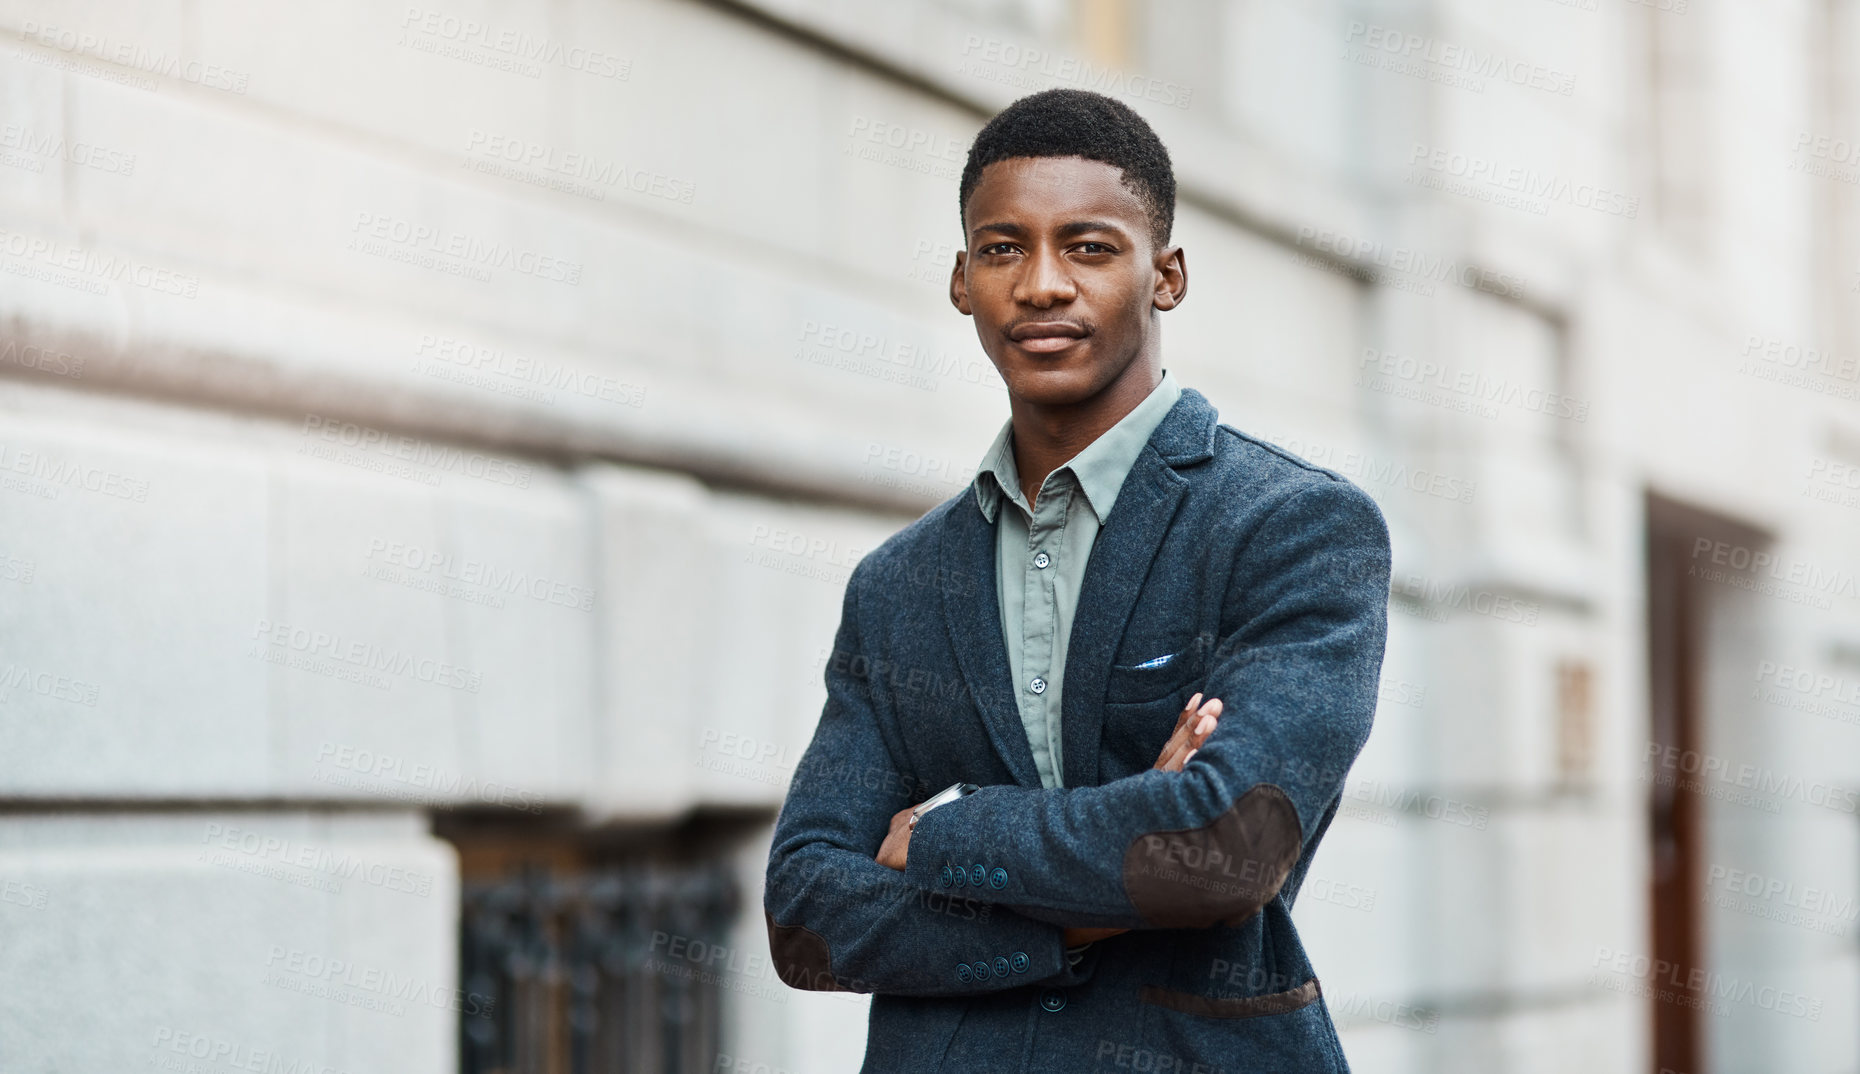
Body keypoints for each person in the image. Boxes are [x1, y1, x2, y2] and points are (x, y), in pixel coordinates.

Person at [763, 87, 1391, 1073]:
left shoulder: (1289, 527)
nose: (1043, 284)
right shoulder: (897, 585)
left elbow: (1226, 846)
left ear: (1166, 276)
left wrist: (943, 833)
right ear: (963, 280)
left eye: (1090, 247)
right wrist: (1082, 914)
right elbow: (807, 915)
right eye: (1004, 247)